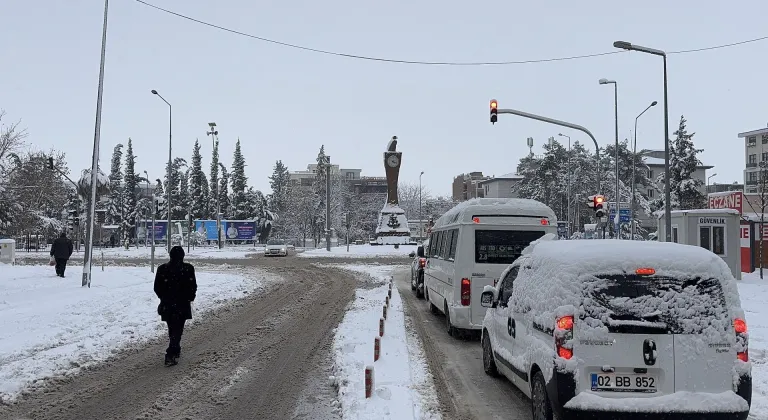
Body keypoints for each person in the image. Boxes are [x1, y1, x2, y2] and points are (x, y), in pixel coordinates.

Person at [154, 246, 197, 366]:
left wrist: (163, 298)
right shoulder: (188, 268)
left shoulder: (162, 269)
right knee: (178, 329)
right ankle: (171, 353)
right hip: (182, 304)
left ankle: (175, 349)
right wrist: (190, 297)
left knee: (172, 328)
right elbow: (193, 285)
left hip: (168, 304)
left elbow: (157, 287)